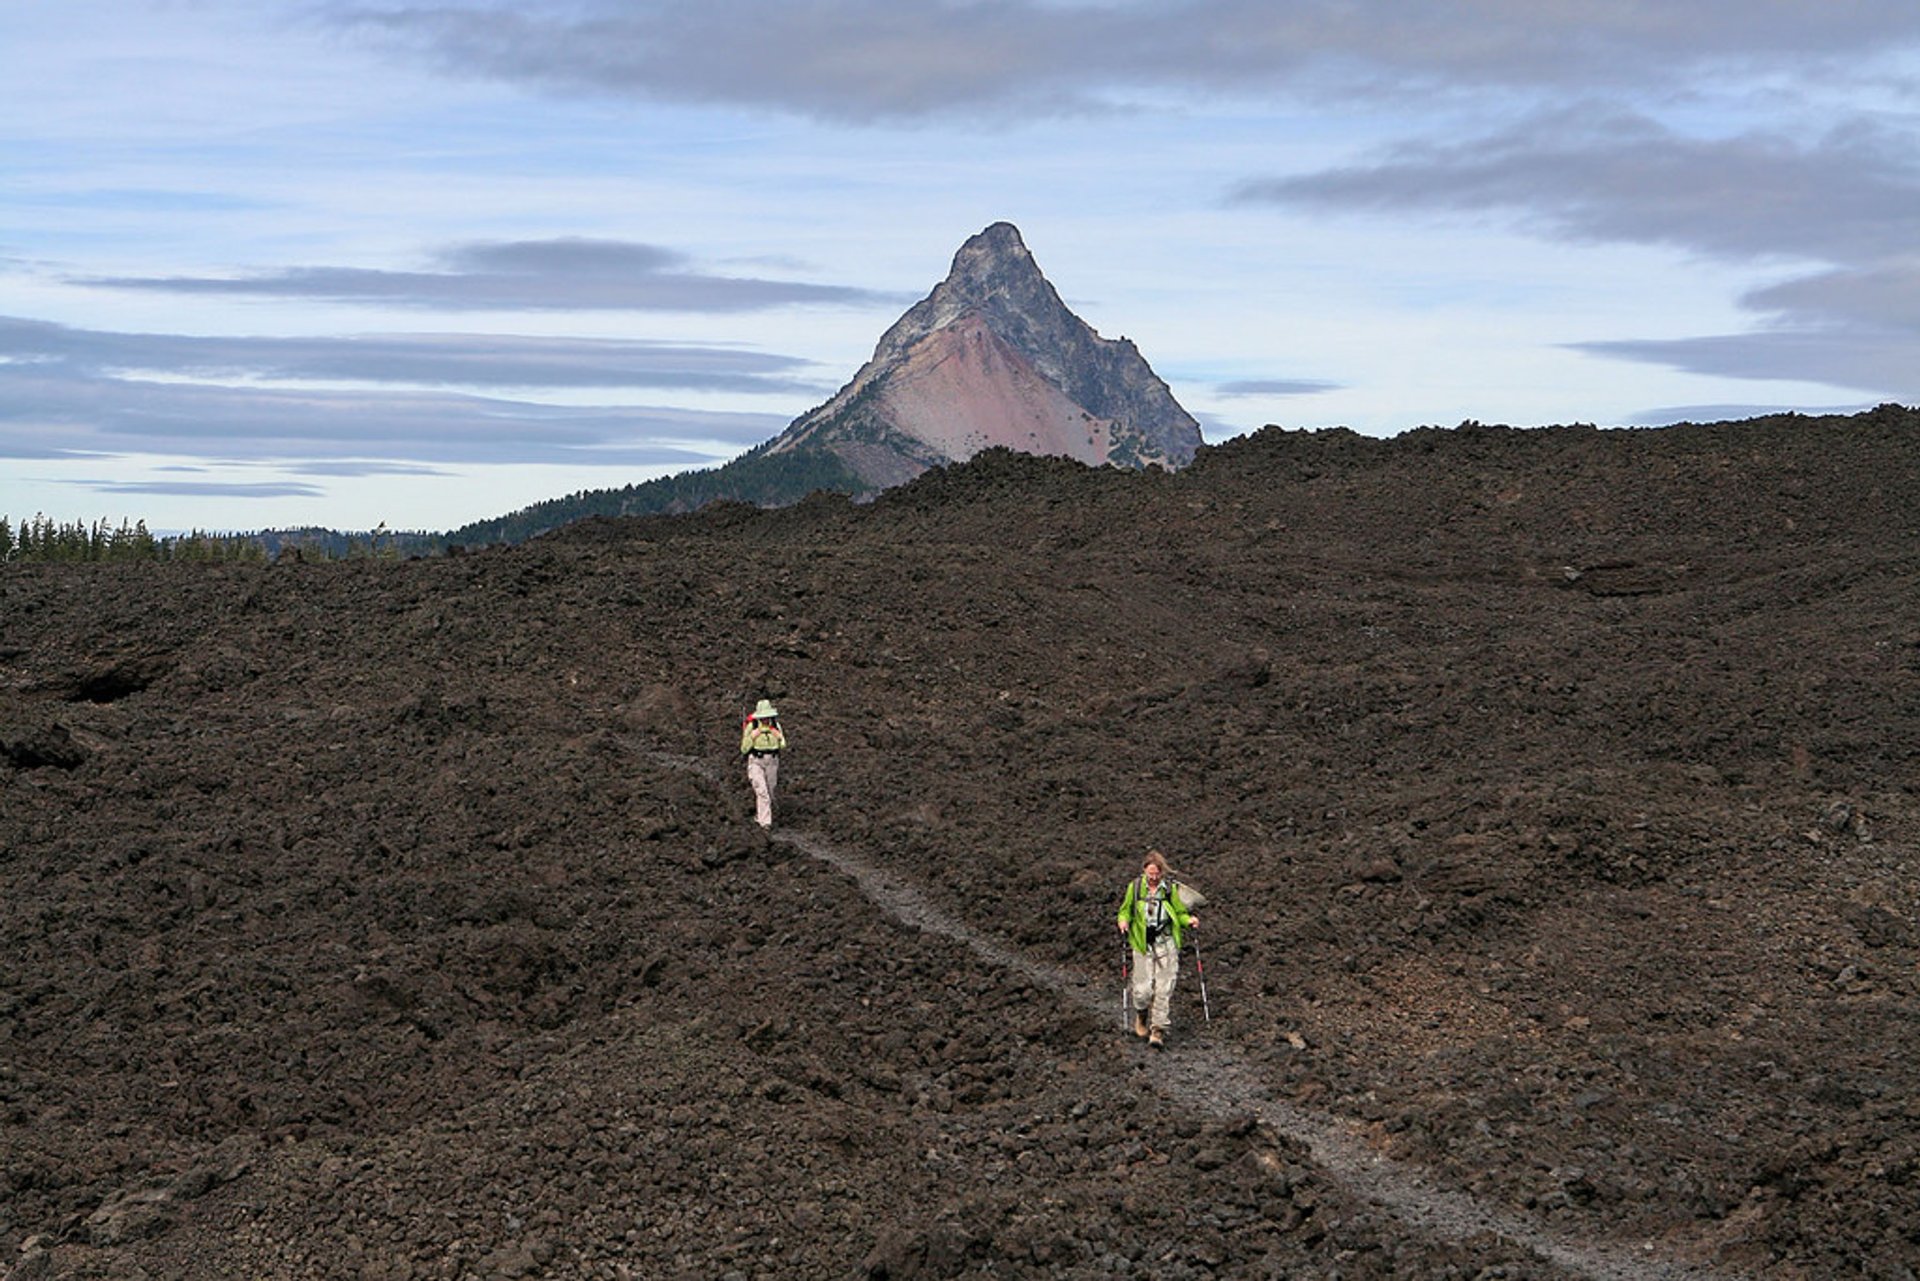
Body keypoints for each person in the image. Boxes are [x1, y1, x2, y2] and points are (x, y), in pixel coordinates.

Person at [1116, 849, 1197, 1048]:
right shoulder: (1134, 888)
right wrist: (1123, 921)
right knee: (1142, 991)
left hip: (1166, 943)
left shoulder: (1168, 890)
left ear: (1161, 872)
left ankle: (1158, 1030)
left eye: (1156, 874)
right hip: (1143, 945)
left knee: (1164, 988)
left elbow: (1179, 912)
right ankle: (1142, 1016)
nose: (1153, 877)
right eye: (1150, 873)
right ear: (1144, 871)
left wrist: (1189, 920)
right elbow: (1125, 909)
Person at [739, 699, 787, 829]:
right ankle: (765, 823)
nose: (765, 720)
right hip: (756, 761)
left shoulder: (776, 726)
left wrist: (779, 737)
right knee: (762, 791)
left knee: (770, 790)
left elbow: (783, 744)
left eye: (767, 717)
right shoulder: (752, 727)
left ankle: (765, 814)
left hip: (772, 761)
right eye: (763, 717)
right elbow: (744, 748)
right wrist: (752, 737)